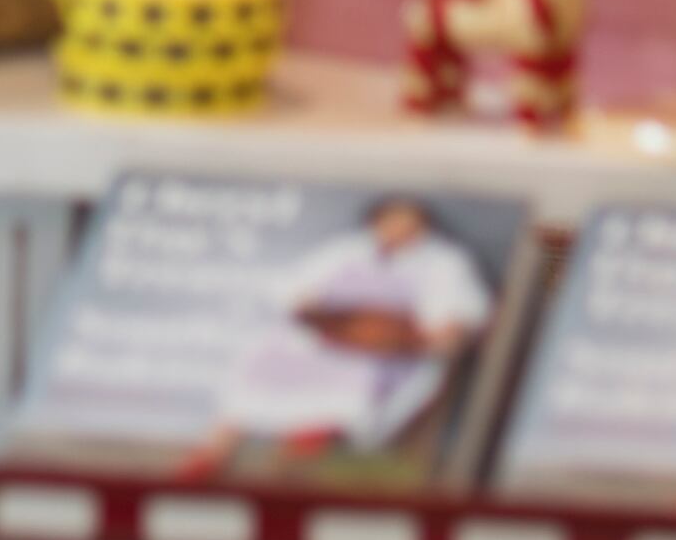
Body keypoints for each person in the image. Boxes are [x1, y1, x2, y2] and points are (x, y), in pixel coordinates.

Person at [195, 196, 493, 475]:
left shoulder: (442, 261)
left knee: (355, 383)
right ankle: (212, 456)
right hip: (327, 339)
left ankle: (297, 461)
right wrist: (308, 303)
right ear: (376, 222)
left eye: (409, 224)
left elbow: (455, 315)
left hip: (386, 354)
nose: (399, 230)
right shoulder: (347, 251)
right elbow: (293, 288)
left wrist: (439, 329)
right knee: (264, 360)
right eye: (392, 221)